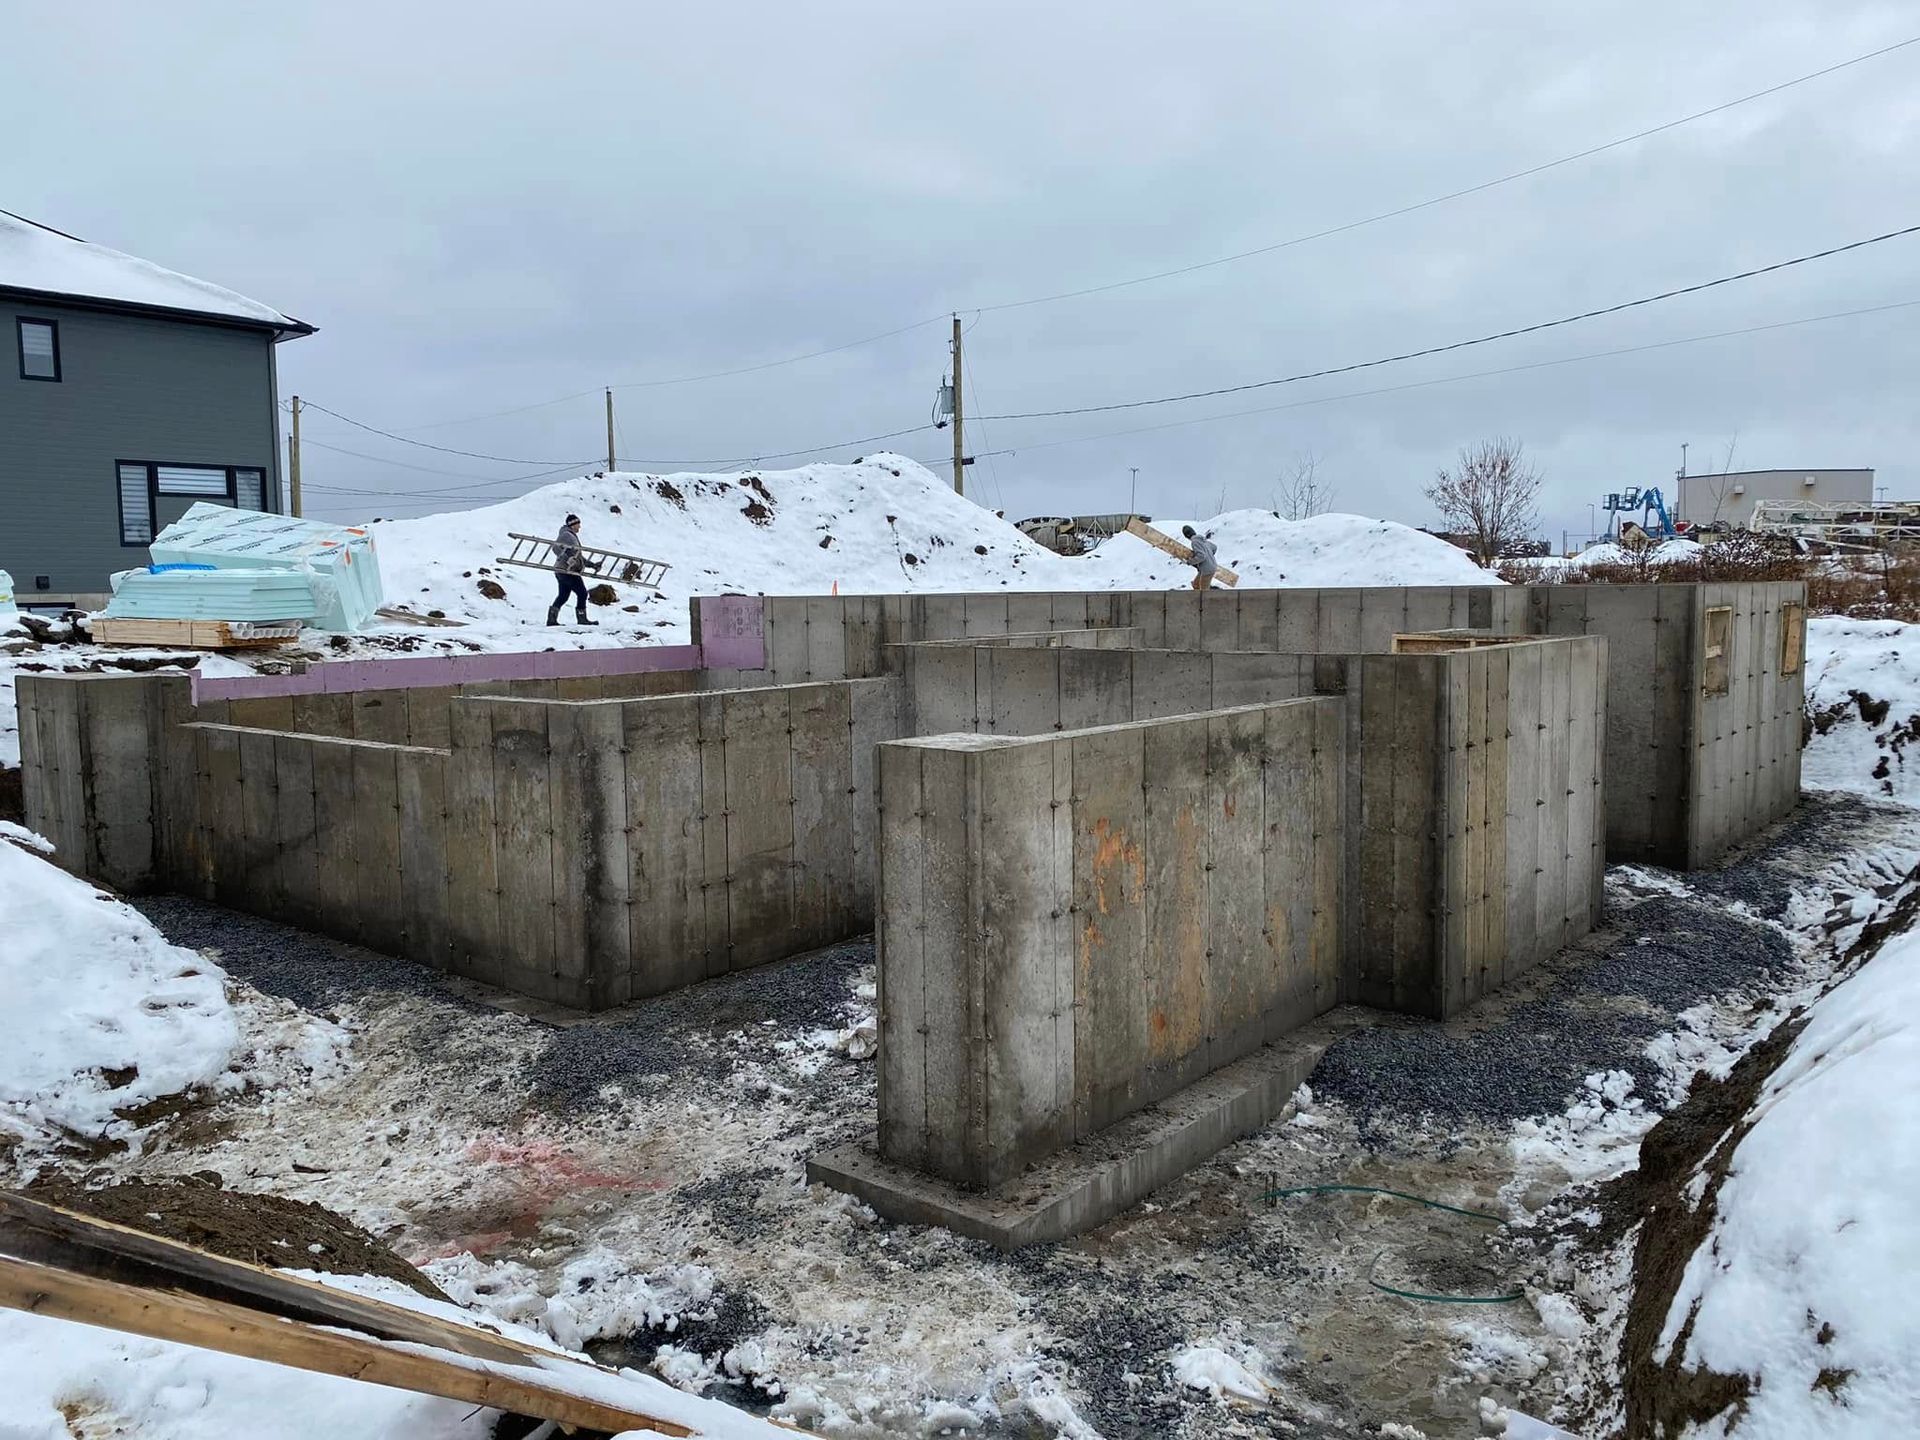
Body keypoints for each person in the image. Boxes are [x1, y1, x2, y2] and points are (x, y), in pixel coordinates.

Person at [546, 514, 598, 627]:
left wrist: (592, 565)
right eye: (578, 524)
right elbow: (555, 547)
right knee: (582, 593)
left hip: (562, 570)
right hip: (567, 570)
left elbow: (577, 555)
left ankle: (552, 619)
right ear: (573, 524)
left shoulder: (571, 535)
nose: (580, 527)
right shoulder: (566, 534)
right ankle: (582, 618)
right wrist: (567, 559)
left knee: (563, 596)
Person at [1181, 525, 1218, 591]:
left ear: (1186, 536)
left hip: (1207, 570)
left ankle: (1206, 600)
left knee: (1204, 591)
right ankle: (1199, 599)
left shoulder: (1194, 542)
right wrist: (1209, 555)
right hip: (1209, 567)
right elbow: (1214, 547)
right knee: (1196, 584)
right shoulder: (1202, 540)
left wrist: (1189, 562)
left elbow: (1201, 556)